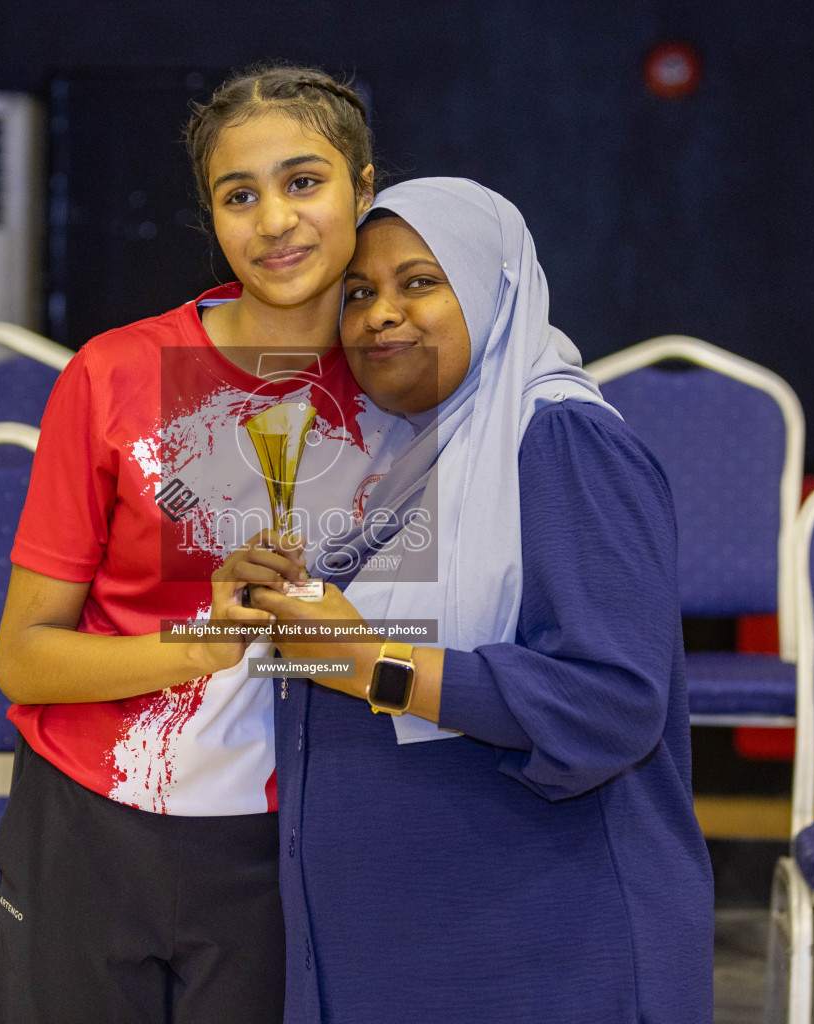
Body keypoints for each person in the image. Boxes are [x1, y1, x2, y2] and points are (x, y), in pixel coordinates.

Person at [219, 178, 714, 1023]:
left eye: (420, 282)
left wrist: (369, 663)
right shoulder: (400, 462)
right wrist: (274, 594)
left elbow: (612, 701)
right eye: (360, 293)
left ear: (495, 291)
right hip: (417, 947)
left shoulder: (562, 439)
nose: (380, 313)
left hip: (546, 953)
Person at [0, 65, 393, 1023]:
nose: (274, 220)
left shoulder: (406, 390)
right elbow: (23, 658)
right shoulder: (114, 373)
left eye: (305, 182)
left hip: (293, 836)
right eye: (238, 194)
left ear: (364, 190)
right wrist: (199, 647)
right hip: (89, 820)